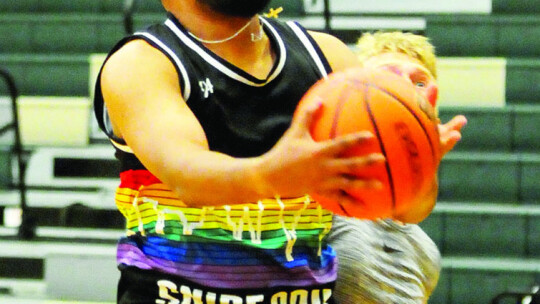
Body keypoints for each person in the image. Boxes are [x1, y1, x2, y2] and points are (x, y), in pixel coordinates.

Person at [94, 0, 464, 302]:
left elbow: (406, 209)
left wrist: (418, 169)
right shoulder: (142, 62)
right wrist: (273, 173)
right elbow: (189, 175)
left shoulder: (328, 57)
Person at [327, 31, 467, 304]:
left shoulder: (413, 219)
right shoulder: (324, 191)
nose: (403, 91)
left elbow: (410, 208)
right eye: (387, 78)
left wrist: (426, 163)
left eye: (417, 82)